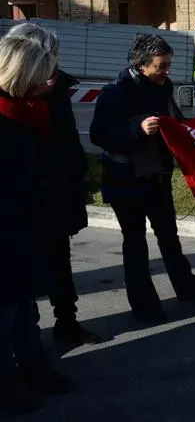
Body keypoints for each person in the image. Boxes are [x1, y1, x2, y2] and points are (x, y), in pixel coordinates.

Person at [90, 35, 195, 323]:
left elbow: (177, 124)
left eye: (168, 66)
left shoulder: (163, 89)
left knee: (169, 236)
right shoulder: (115, 93)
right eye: (161, 67)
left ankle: (186, 285)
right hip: (126, 181)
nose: (166, 72)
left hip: (157, 177)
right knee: (135, 244)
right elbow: (99, 134)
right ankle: (144, 305)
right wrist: (137, 129)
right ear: (141, 65)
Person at [4, 23, 102, 347]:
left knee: (60, 263)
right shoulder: (15, 100)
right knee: (23, 277)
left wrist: (77, 175)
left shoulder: (55, 89)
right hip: (30, 200)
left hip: (57, 191)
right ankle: (27, 342)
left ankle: (66, 322)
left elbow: (67, 138)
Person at [0, 35, 75, 414]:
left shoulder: (27, 113)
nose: (50, 83)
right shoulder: (5, 117)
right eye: (43, 75)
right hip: (6, 230)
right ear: (22, 73)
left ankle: (33, 367)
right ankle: (7, 381)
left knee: (24, 304)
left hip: (29, 222)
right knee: (6, 309)